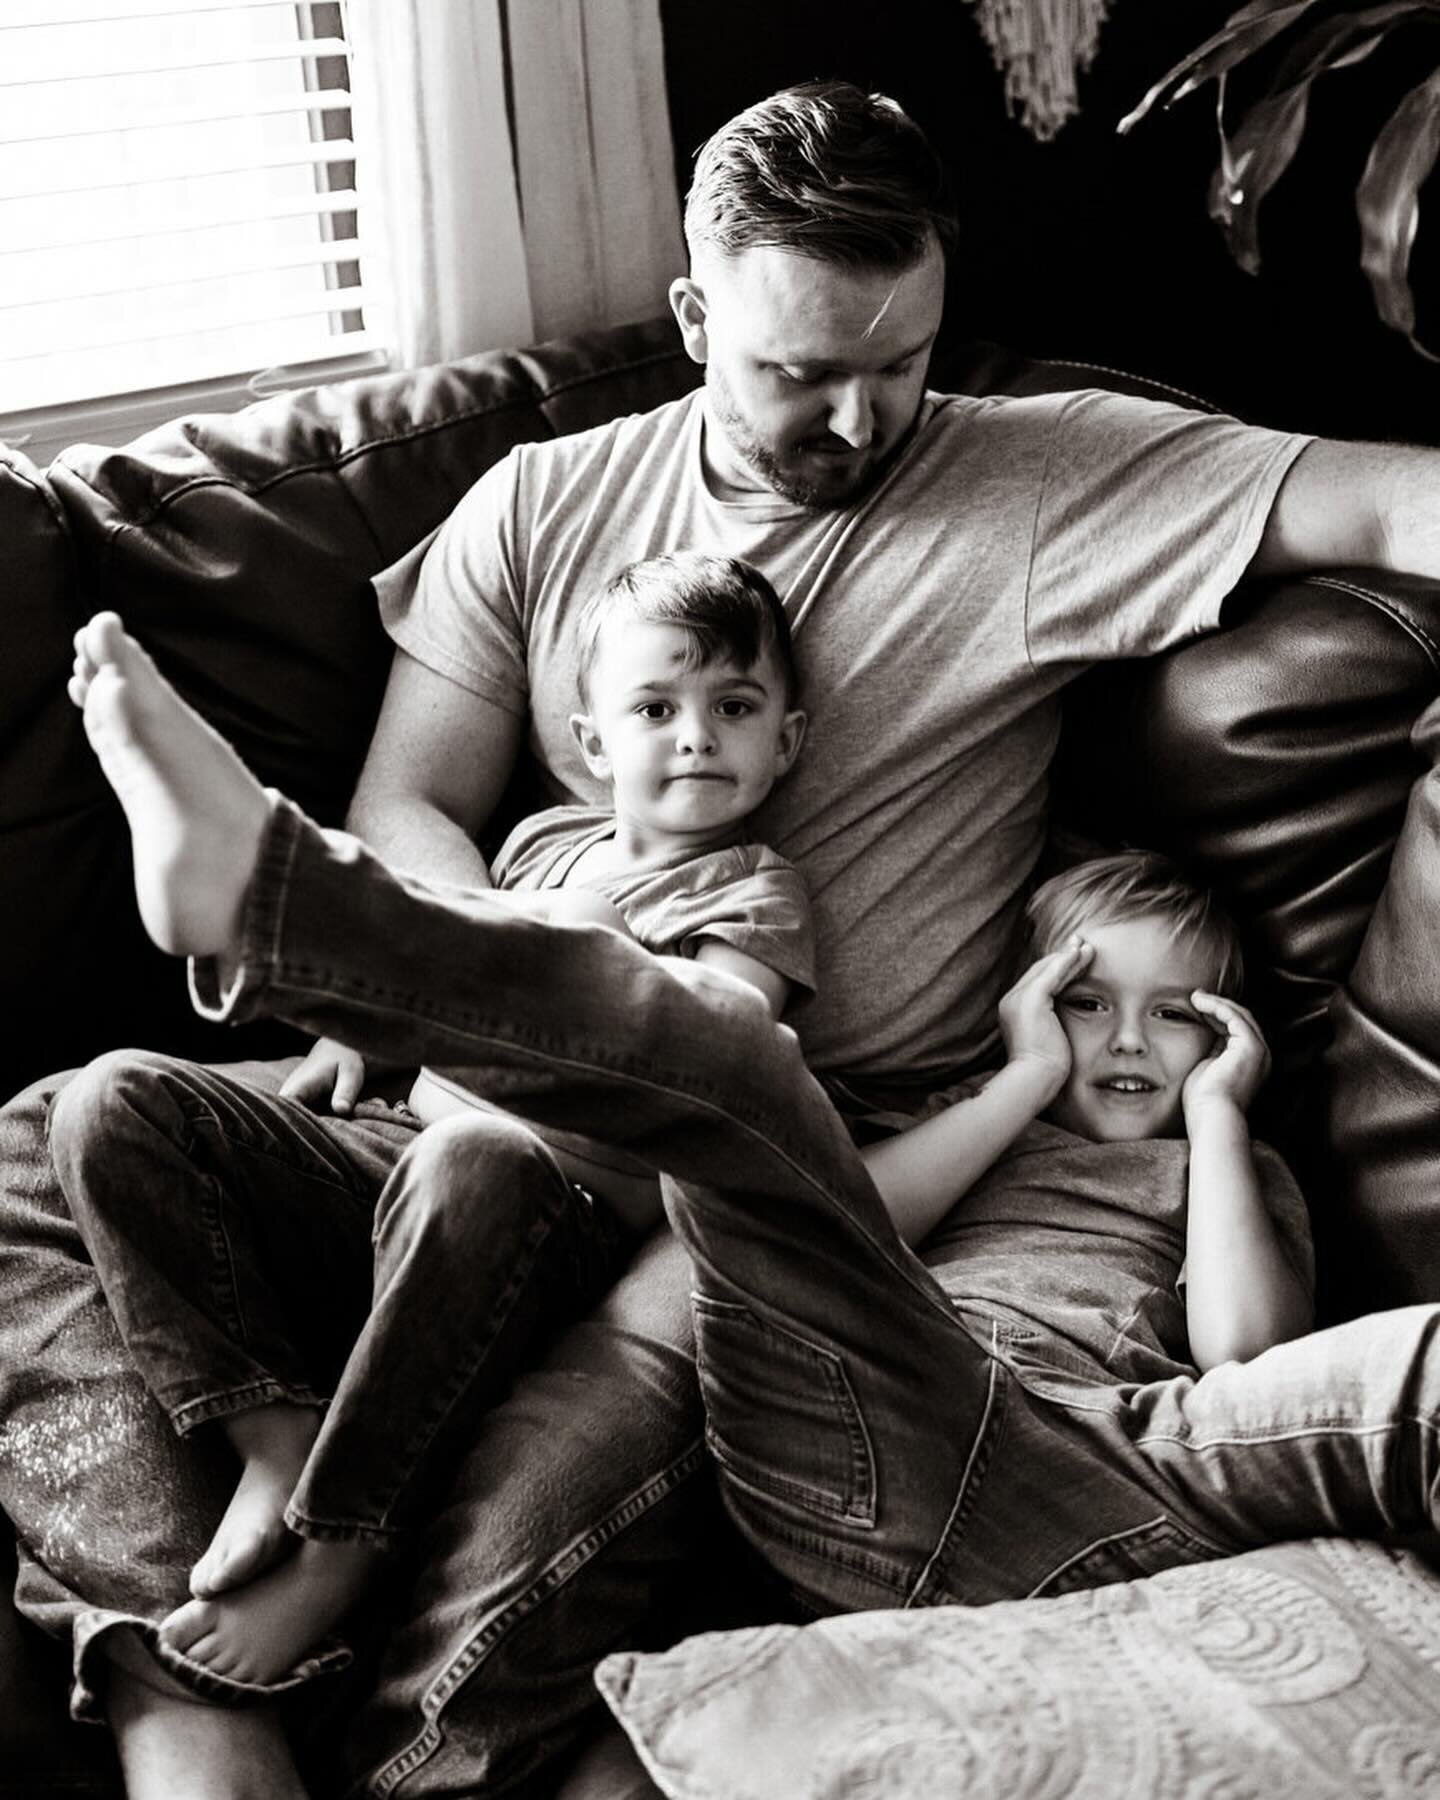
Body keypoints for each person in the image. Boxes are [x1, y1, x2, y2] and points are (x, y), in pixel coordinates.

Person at [5, 75, 1440, 1800]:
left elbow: (1385, 502)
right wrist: (498, 1007)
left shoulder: (1051, 476)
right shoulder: (540, 507)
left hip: (767, 1174)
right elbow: (410, 804)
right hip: (479, 1106)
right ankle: (187, 1698)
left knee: (518, 1536)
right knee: (42, 1134)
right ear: (695, 318)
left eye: (898, 362)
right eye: (796, 372)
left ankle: (394, 1738)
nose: (856, 418)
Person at [66, 618, 1440, 1654]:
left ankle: (288, 906)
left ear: (1234, 1033)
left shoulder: (1230, 1171)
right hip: (858, 1434)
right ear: (1024, 1004)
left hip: (1100, 1460)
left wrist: (1215, 1124)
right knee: (747, 1098)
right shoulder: (960, 1117)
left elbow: (1248, 1355)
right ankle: (280, 902)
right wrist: (1016, 1083)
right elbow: (856, 1227)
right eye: (1087, 1002)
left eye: (1177, 1017)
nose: (1131, 1043)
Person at [52, 553, 812, 1691]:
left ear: (786, 741)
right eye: (656, 709)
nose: (695, 736)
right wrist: (370, 1020)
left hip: (553, 1208)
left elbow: (710, 1054)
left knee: (476, 1150)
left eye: (734, 708)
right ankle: (271, 1433)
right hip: (389, 1152)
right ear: (595, 745)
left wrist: (576, 941)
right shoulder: (539, 848)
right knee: (109, 1097)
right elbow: (435, 974)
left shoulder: (754, 895)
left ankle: (339, 1542)